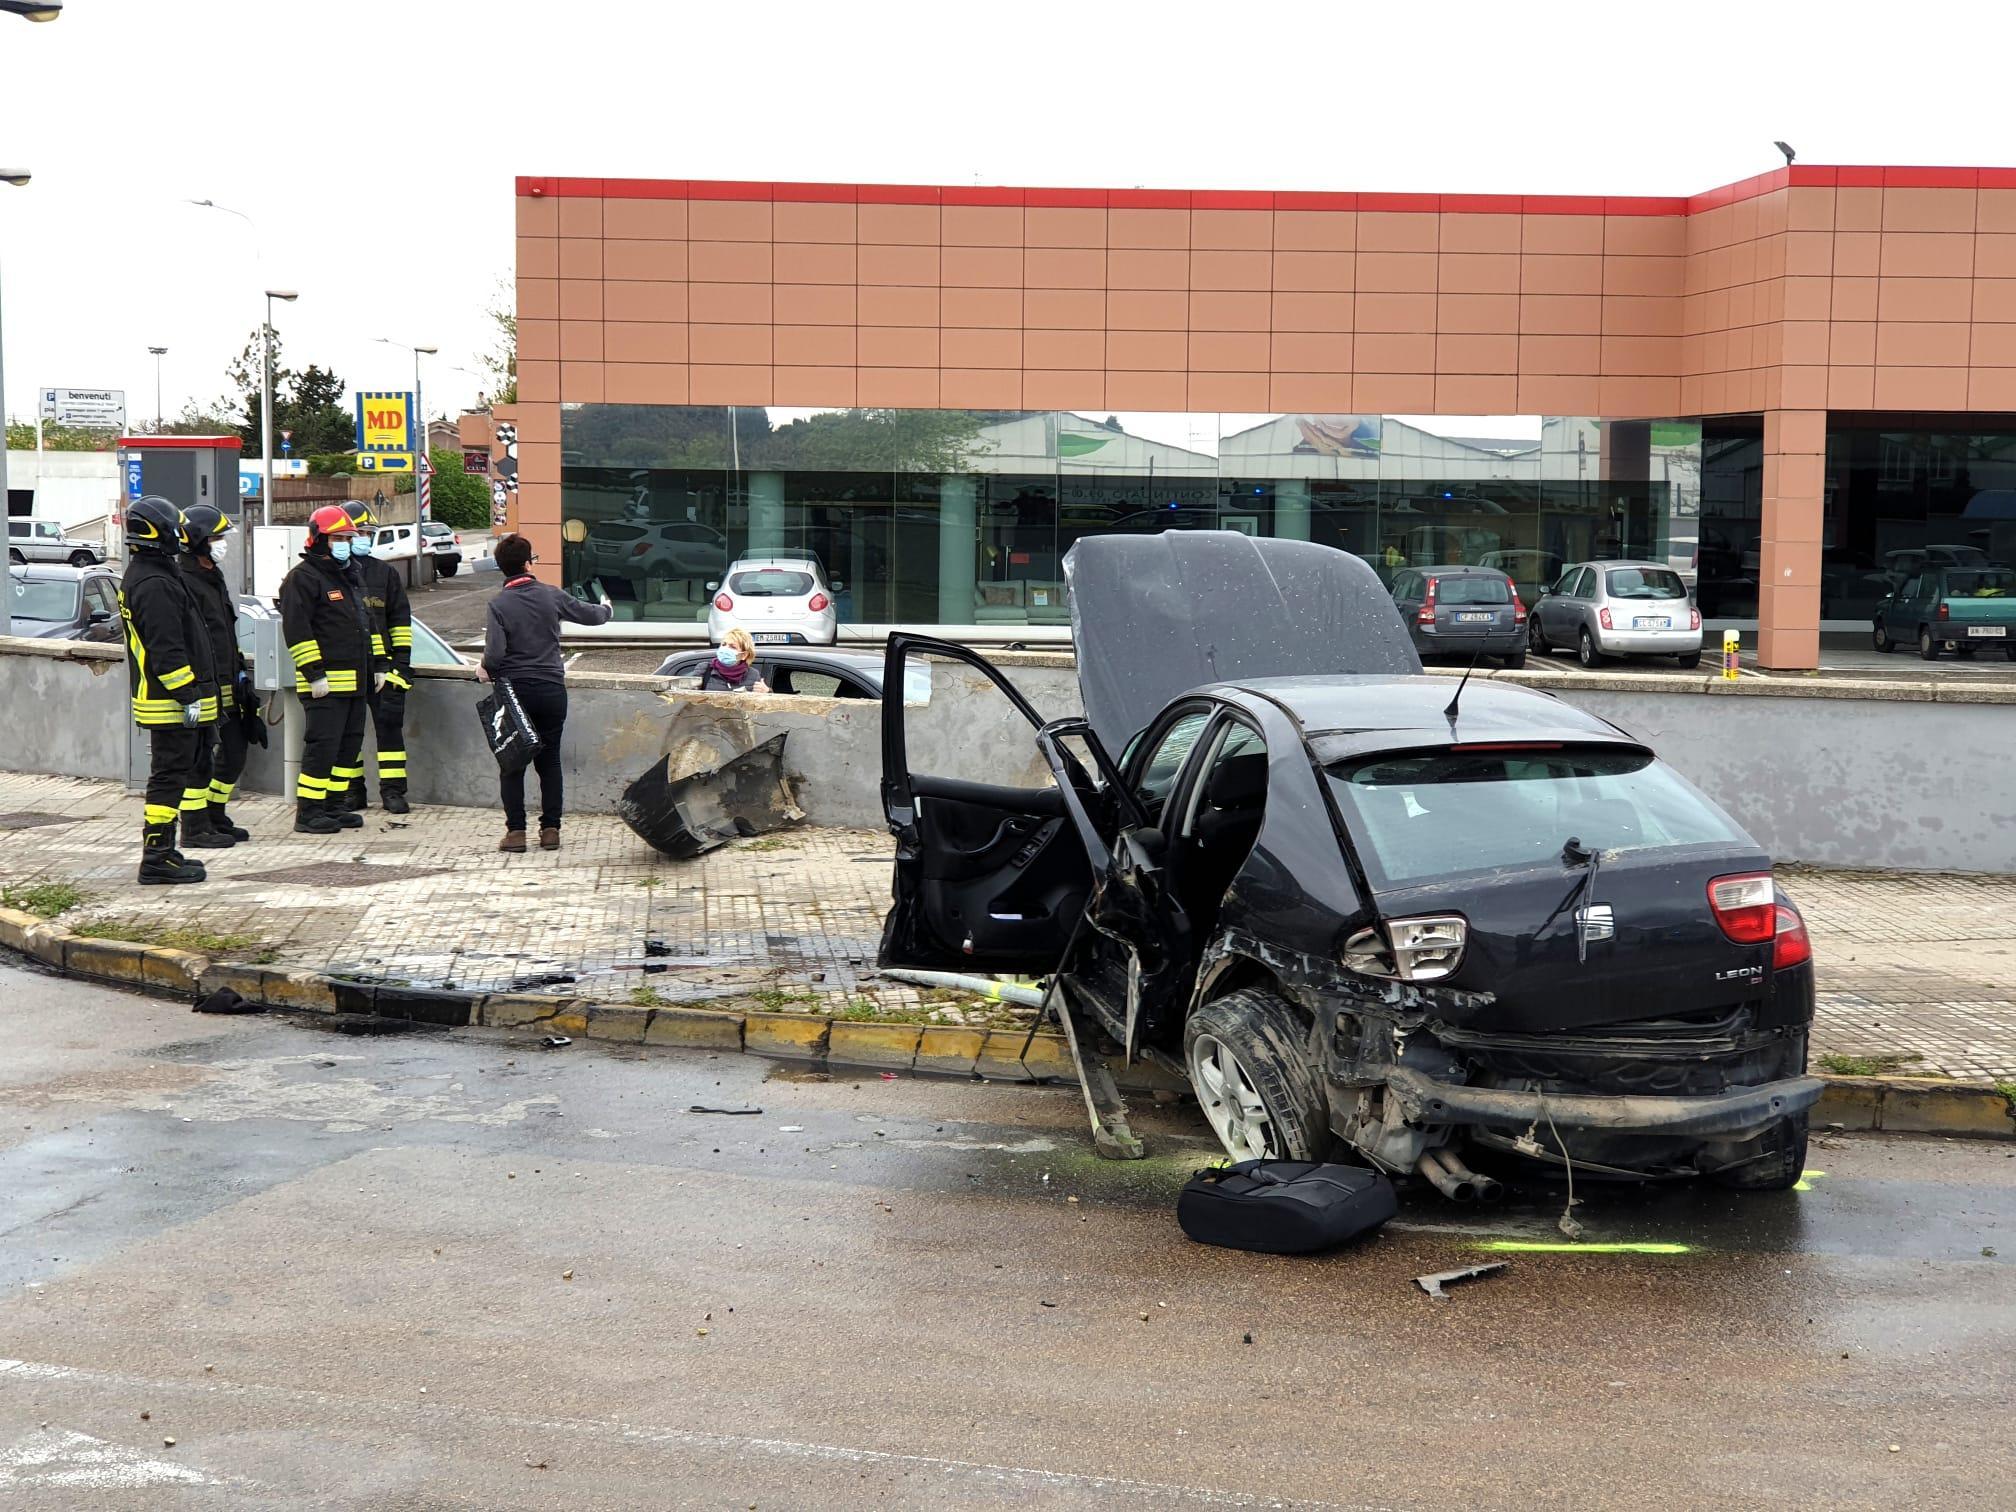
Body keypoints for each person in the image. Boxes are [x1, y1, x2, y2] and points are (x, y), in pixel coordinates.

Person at [479, 533, 612, 853]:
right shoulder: (551, 595)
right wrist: (607, 607)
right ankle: (550, 830)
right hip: (552, 689)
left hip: (516, 693)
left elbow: (495, 655)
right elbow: (591, 615)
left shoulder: (498, 604)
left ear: (502, 568)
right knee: (549, 761)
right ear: (528, 563)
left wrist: (484, 667)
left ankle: (516, 834)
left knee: (512, 763)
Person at [118, 495, 219, 884]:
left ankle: (164, 852)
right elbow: (167, 646)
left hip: (170, 698)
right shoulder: (154, 581)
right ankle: (157, 856)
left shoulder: (153, 573)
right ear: (156, 531)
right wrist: (188, 694)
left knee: (174, 774)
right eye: (174, 530)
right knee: (169, 776)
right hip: (169, 702)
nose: (180, 537)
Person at [279, 505, 373, 834]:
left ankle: (334, 805)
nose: (347, 542)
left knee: (348, 747)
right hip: (325, 686)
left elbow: (364, 628)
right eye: (340, 537)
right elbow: (297, 631)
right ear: (320, 539)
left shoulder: (347, 576)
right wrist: (314, 673)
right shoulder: (302, 579)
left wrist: (376, 667)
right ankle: (309, 812)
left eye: (350, 537)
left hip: (355, 684)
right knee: (322, 747)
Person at [178, 502, 254, 847]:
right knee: (200, 760)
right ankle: (194, 828)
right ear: (197, 540)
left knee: (235, 750)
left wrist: (239, 674)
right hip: (204, 682)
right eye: (216, 536)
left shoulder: (213, 575)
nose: (222, 543)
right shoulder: (185, 579)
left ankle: (215, 812)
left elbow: (225, 630)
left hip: (229, 679)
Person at [342, 502, 416, 814]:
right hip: (348, 669)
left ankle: (393, 792)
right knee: (349, 734)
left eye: (370, 533)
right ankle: (353, 792)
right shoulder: (332, 575)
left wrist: (400, 666)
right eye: (360, 532)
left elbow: (400, 622)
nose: (365, 538)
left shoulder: (384, 574)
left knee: (389, 732)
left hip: (385, 670)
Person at [696, 627, 769, 692]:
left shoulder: (753, 675)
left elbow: (761, 703)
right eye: (724, 644)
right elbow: (688, 696)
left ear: (743, 655)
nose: (725, 649)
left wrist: (767, 692)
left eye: (732, 647)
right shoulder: (705, 669)